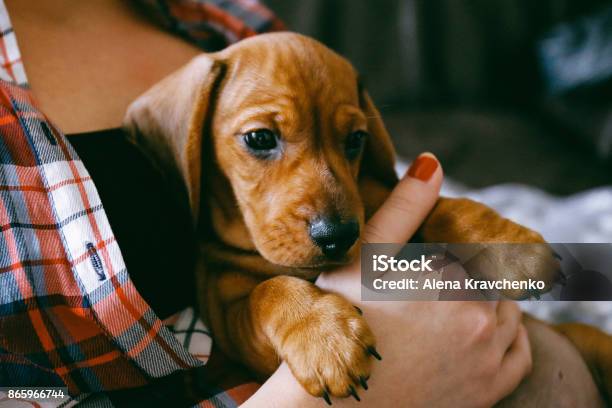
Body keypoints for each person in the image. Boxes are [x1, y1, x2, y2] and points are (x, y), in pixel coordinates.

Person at [0, 1, 531, 406]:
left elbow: (554, 276)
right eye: (261, 141)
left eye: (350, 141)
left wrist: (471, 226)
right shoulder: (230, 259)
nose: (330, 213)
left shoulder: (223, 16)